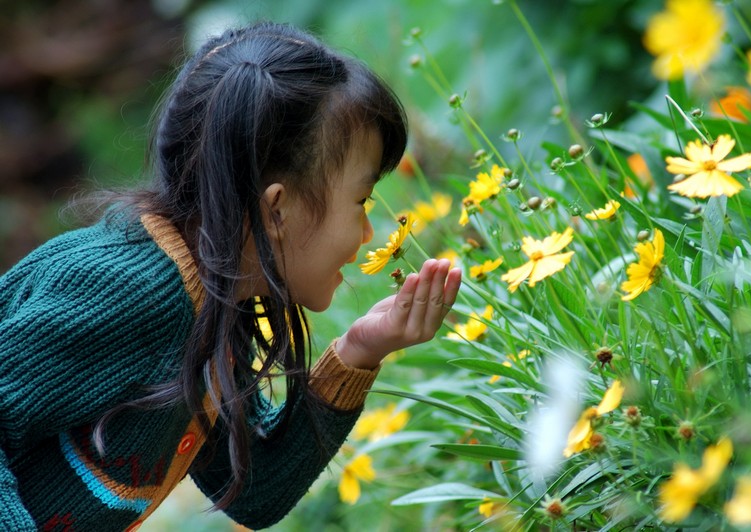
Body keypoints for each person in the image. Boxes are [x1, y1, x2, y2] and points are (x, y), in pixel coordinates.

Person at [0, 21, 461, 530]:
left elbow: (253, 492)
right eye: (361, 201)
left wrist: (358, 352)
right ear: (277, 210)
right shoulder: (129, 290)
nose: (369, 231)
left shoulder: (214, 304)